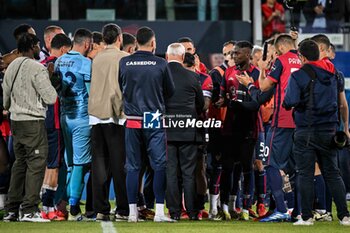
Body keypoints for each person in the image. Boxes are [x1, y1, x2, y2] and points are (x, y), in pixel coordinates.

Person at [283, 39, 350, 226]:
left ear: (301, 57)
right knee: (333, 173)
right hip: (329, 130)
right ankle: (345, 216)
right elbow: (342, 103)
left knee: (304, 174)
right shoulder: (334, 73)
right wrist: (345, 127)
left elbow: (290, 101)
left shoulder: (299, 75)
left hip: (306, 130)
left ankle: (306, 217)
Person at [119, 26, 175, 222]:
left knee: (133, 167)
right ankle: (159, 212)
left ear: (136, 43)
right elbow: (170, 91)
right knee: (159, 166)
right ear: (153, 43)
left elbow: (121, 87)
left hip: (133, 119)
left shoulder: (124, 62)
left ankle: (132, 213)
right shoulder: (160, 63)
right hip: (153, 118)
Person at [2, 33, 57, 222]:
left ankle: (11, 210)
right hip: (33, 122)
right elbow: (51, 98)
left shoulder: (11, 68)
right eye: (37, 45)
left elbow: (5, 101)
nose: (38, 48)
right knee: (36, 165)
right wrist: (49, 76)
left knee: (19, 164)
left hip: (16, 122)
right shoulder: (38, 68)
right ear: (33, 46)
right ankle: (29, 210)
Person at [88, 23, 129, 222]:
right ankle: (122, 209)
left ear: (104, 39)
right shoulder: (124, 58)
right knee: (119, 165)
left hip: (96, 116)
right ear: (120, 38)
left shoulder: (96, 58)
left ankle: (101, 209)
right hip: (116, 116)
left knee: (99, 165)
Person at [258, 34, 301, 222]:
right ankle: (297, 211)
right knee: (296, 169)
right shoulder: (303, 59)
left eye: (275, 51)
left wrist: (261, 70)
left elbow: (263, 86)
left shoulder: (281, 61)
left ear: (281, 48)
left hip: (282, 120)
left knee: (270, 163)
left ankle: (282, 209)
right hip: (300, 121)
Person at [216, 41, 260, 221]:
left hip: (249, 129)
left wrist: (237, 104)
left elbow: (257, 103)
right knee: (226, 168)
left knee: (247, 169)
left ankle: (246, 209)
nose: (234, 56)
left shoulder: (257, 74)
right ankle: (224, 207)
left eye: (238, 53)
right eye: (233, 53)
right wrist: (222, 101)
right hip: (229, 128)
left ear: (248, 55)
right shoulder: (229, 72)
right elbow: (225, 96)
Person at [55, 28, 92, 221]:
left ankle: (64, 204)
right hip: (81, 118)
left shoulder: (59, 61)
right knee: (79, 163)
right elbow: (90, 93)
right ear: (86, 44)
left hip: (64, 116)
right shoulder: (86, 63)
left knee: (70, 163)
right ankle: (74, 208)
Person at [165, 43, 204, 221]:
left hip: (166, 131)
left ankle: (174, 213)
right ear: (182, 57)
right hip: (188, 130)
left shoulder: (160, 75)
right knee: (189, 173)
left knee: (172, 172)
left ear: (167, 56)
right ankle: (193, 212)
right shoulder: (192, 77)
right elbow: (201, 105)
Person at [40, 33, 72, 221]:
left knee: (46, 164)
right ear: (62, 50)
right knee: (55, 165)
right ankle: (50, 206)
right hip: (55, 123)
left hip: (41, 121)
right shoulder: (56, 67)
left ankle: (44, 204)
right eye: (67, 53)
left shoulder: (40, 66)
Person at [207, 40, 235, 219]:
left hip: (236, 127)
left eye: (231, 53)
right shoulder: (216, 74)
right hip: (219, 126)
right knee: (216, 166)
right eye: (225, 54)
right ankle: (214, 207)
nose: (227, 58)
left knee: (233, 169)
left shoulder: (245, 73)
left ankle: (228, 205)